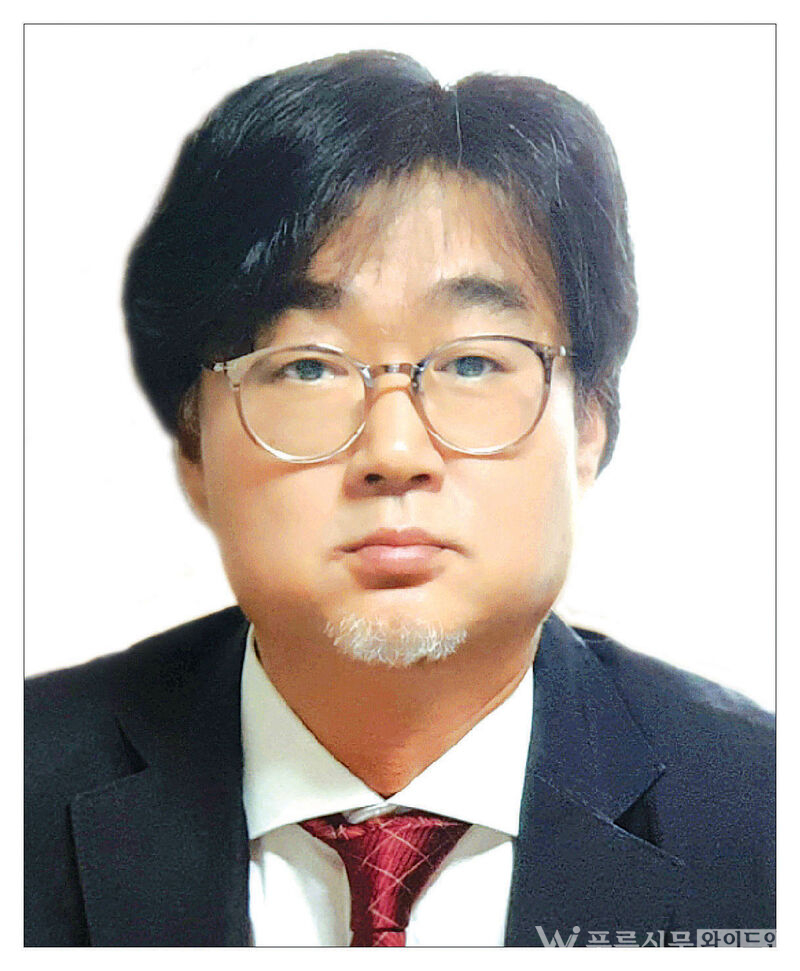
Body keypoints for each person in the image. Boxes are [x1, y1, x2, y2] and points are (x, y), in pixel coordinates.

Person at [24, 50, 775, 947]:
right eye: (307, 366)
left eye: (473, 362)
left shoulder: (766, 813)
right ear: (193, 444)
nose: (394, 452)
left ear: (590, 424)